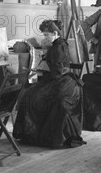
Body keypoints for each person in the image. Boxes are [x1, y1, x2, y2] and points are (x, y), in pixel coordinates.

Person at [13, 20, 84, 148]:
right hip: (57, 79)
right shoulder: (57, 44)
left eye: (46, 35)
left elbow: (57, 71)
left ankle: (33, 134)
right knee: (29, 92)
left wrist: (40, 72)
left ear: (55, 33)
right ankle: (30, 133)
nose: (45, 37)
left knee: (31, 96)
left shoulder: (59, 46)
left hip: (62, 81)